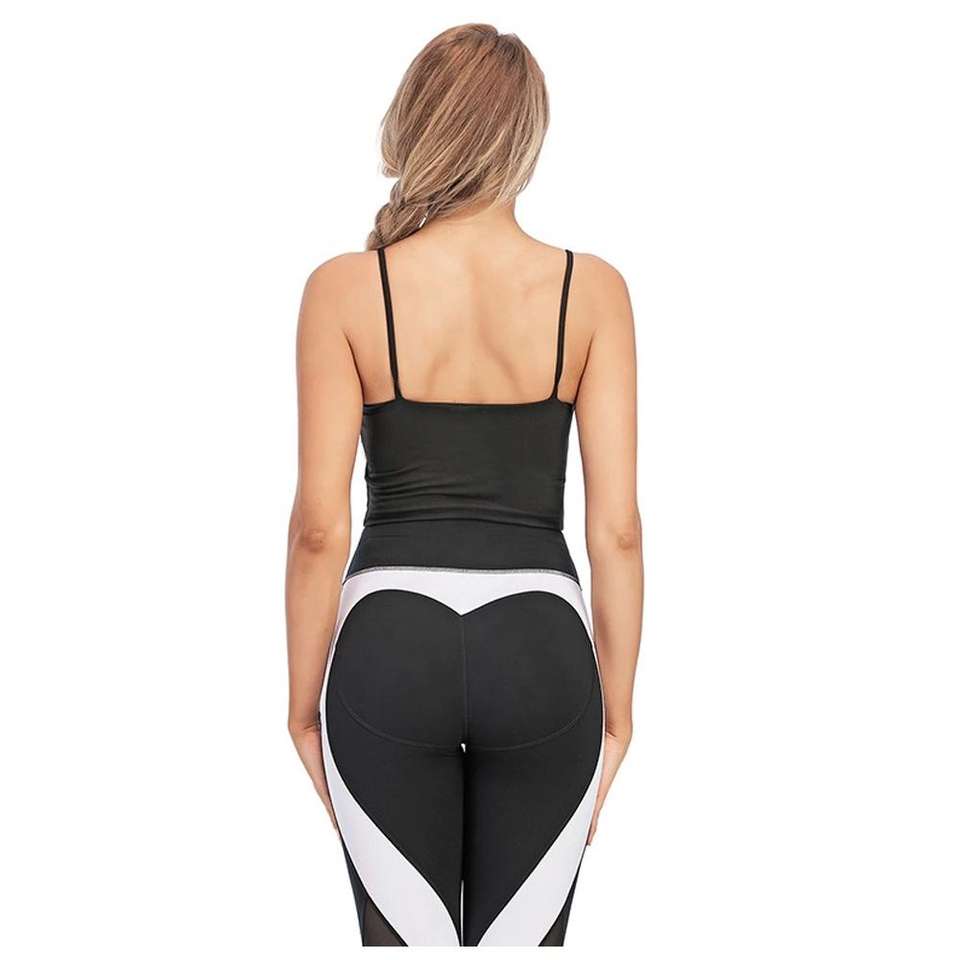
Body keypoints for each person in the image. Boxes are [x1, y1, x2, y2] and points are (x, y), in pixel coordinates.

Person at [286, 23, 643, 947]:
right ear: (527, 135)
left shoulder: (344, 289)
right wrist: (618, 713)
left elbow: (319, 528)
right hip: (543, 653)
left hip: (388, 651)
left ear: (417, 122)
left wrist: (301, 707)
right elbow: (617, 533)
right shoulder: (592, 291)